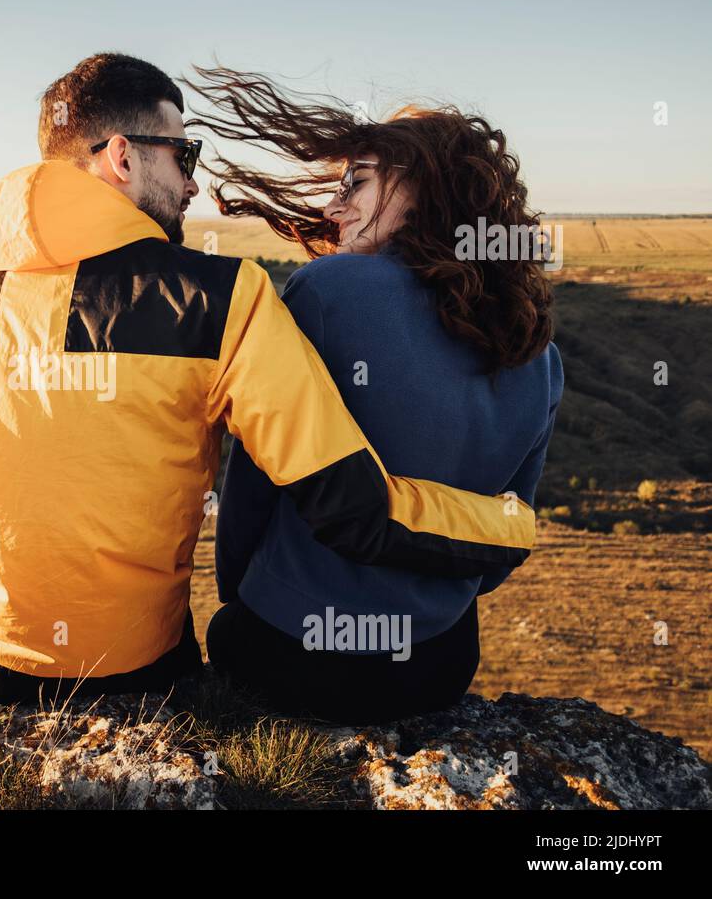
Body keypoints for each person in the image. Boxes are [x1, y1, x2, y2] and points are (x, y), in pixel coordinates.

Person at [0, 52, 536, 706]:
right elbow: (352, 508)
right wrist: (515, 526)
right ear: (122, 156)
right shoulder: (222, 300)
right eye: (184, 155)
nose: (195, 186)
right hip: (138, 676)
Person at [186, 65, 563, 723]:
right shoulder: (540, 355)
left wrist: (240, 606)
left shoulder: (331, 292)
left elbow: (254, 488)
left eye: (355, 182)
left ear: (420, 185)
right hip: (442, 662)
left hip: (294, 657)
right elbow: (504, 537)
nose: (334, 209)